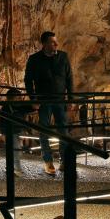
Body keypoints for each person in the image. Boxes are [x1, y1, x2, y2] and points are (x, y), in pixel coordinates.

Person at [24, 31, 73, 175]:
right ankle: (48, 160)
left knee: (63, 130)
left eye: (56, 41)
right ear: (44, 44)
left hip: (59, 100)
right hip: (43, 101)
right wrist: (33, 99)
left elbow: (69, 78)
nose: (56, 44)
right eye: (53, 42)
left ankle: (64, 160)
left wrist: (71, 99)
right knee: (44, 130)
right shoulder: (34, 59)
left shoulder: (63, 57)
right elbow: (28, 80)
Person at [2, 88, 32, 177]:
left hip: (19, 131)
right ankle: (18, 169)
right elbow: (2, 121)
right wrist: (3, 133)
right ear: (11, 99)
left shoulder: (21, 106)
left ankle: (9, 167)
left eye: (20, 98)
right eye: (17, 98)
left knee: (14, 150)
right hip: (11, 132)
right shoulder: (6, 107)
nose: (19, 100)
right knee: (16, 150)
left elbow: (30, 108)